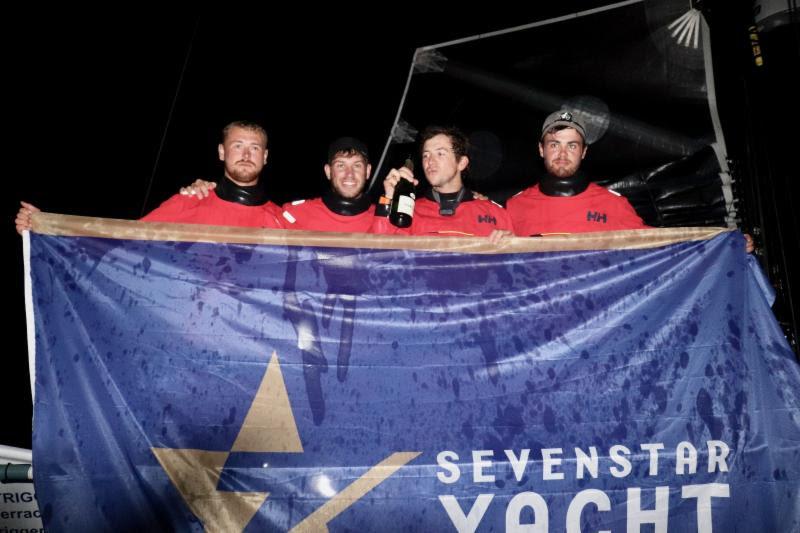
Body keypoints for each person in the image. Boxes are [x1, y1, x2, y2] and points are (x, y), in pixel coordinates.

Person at [15, 120, 283, 233]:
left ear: (267, 157)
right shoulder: (188, 202)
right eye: (238, 146)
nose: (246, 154)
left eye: (255, 148)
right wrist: (46, 226)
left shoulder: (281, 222)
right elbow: (122, 239)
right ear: (222, 152)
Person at [186, 137, 376, 233]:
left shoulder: (388, 220)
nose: (349, 174)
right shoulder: (293, 215)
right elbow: (243, 224)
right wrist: (211, 195)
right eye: (341, 165)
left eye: (357, 166)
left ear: (368, 171)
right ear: (328, 171)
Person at [505, 110, 646, 236]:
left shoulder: (615, 206)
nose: (562, 154)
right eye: (554, 144)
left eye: (572, 146)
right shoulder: (515, 207)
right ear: (541, 149)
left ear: (583, 152)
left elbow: (655, 246)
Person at [373, 125, 513, 236]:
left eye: (440, 153)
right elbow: (378, 257)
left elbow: (515, 265)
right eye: (426, 155)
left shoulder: (494, 214)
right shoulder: (410, 212)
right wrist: (389, 198)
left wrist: (510, 246)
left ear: (462, 163)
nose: (430, 161)